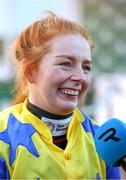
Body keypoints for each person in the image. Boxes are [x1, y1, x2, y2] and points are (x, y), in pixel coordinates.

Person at [0, 11, 120, 179]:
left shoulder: (104, 141)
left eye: (86, 67)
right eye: (65, 64)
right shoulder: (3, 137)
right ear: (30, 71)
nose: (79, 77)